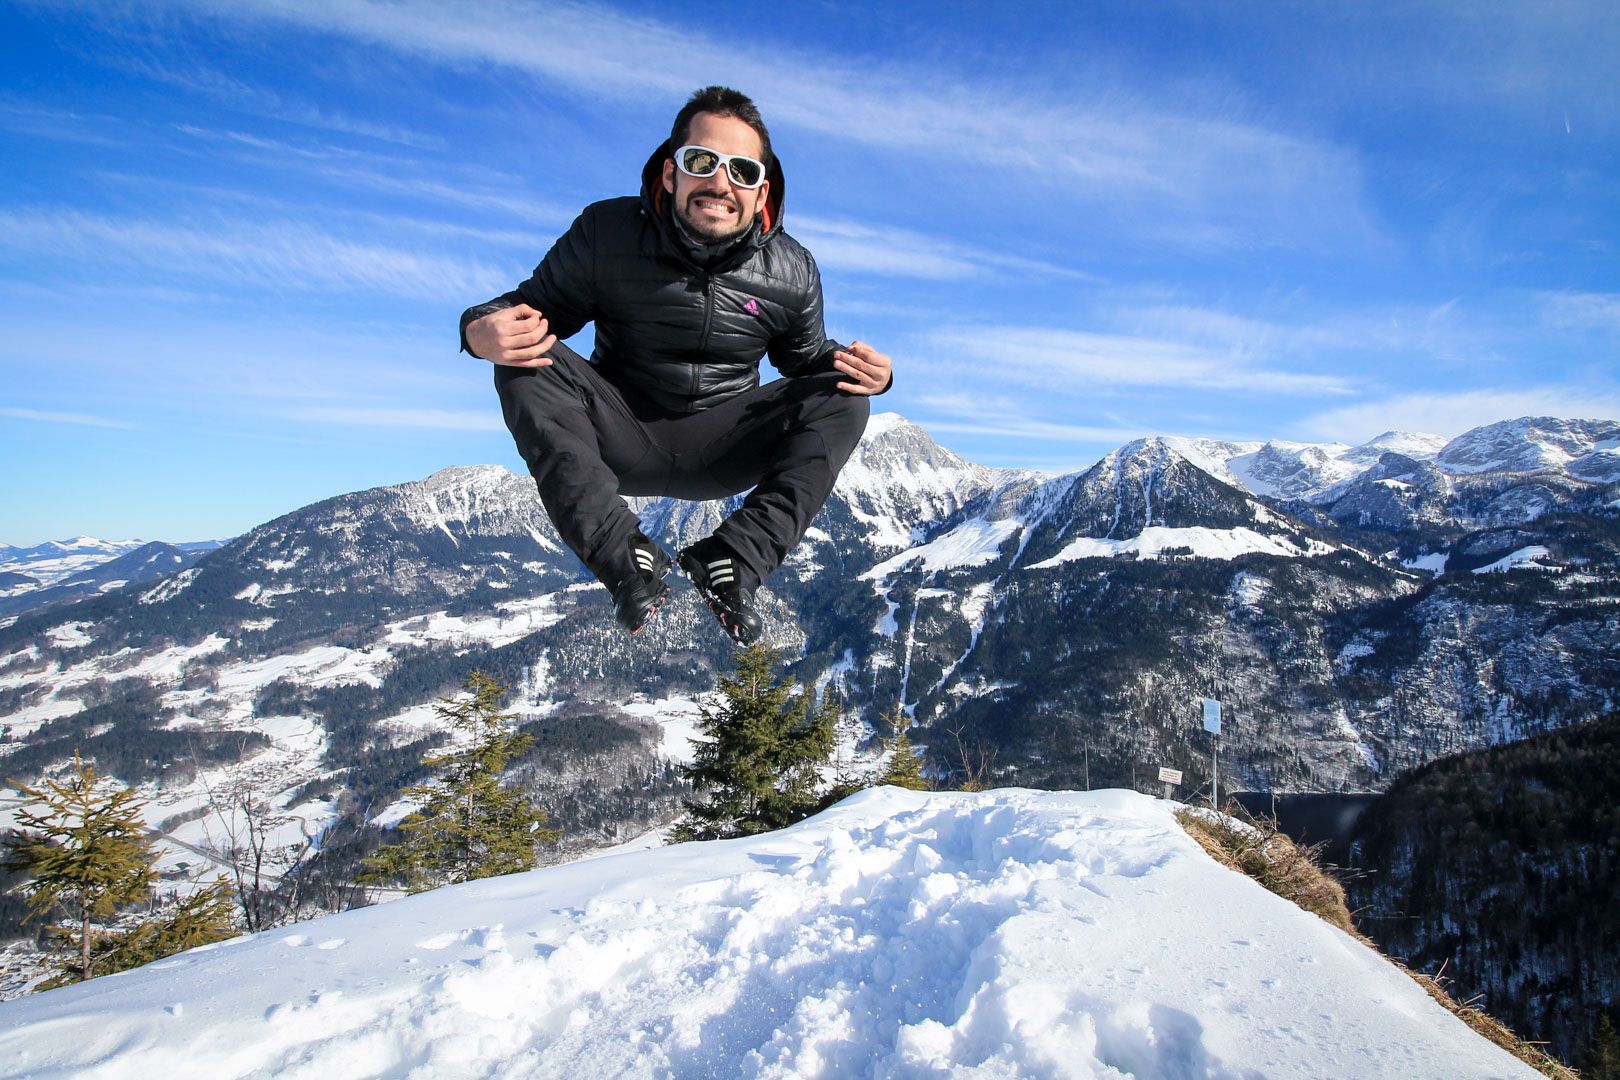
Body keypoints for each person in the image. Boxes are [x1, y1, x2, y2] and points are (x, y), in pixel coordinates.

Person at [461, 86, 892, 646]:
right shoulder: (606, 234)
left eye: (740, 170)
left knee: (845, 394)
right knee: (525, 357)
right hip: (619, 434)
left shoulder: (793, 270)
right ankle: (625, 558)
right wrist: (478, 331)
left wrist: (872, 375)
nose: (720, 183)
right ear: (670, 173)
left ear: (761, 191)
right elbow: (527, 311)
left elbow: (804, 360)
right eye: (701, 162)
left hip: (724, 447)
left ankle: (734, 559)